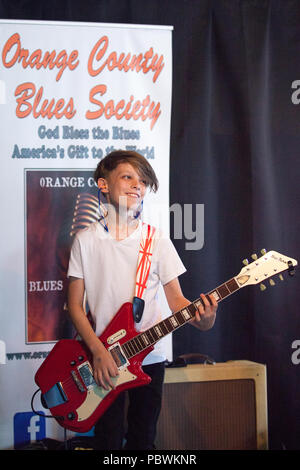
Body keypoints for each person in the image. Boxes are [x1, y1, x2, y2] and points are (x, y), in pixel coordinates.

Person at [67, 150, 217, 450]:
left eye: (143, 180)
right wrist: (97, 351)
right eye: (128, 176)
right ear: (104, 184)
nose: (138, 184)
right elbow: (74, 306)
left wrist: (205, 318)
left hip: (150, 357)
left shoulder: (156, 240)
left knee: (143, 437)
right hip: (103, 359)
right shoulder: (85, 240)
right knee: (107, 439)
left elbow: (177, 302)